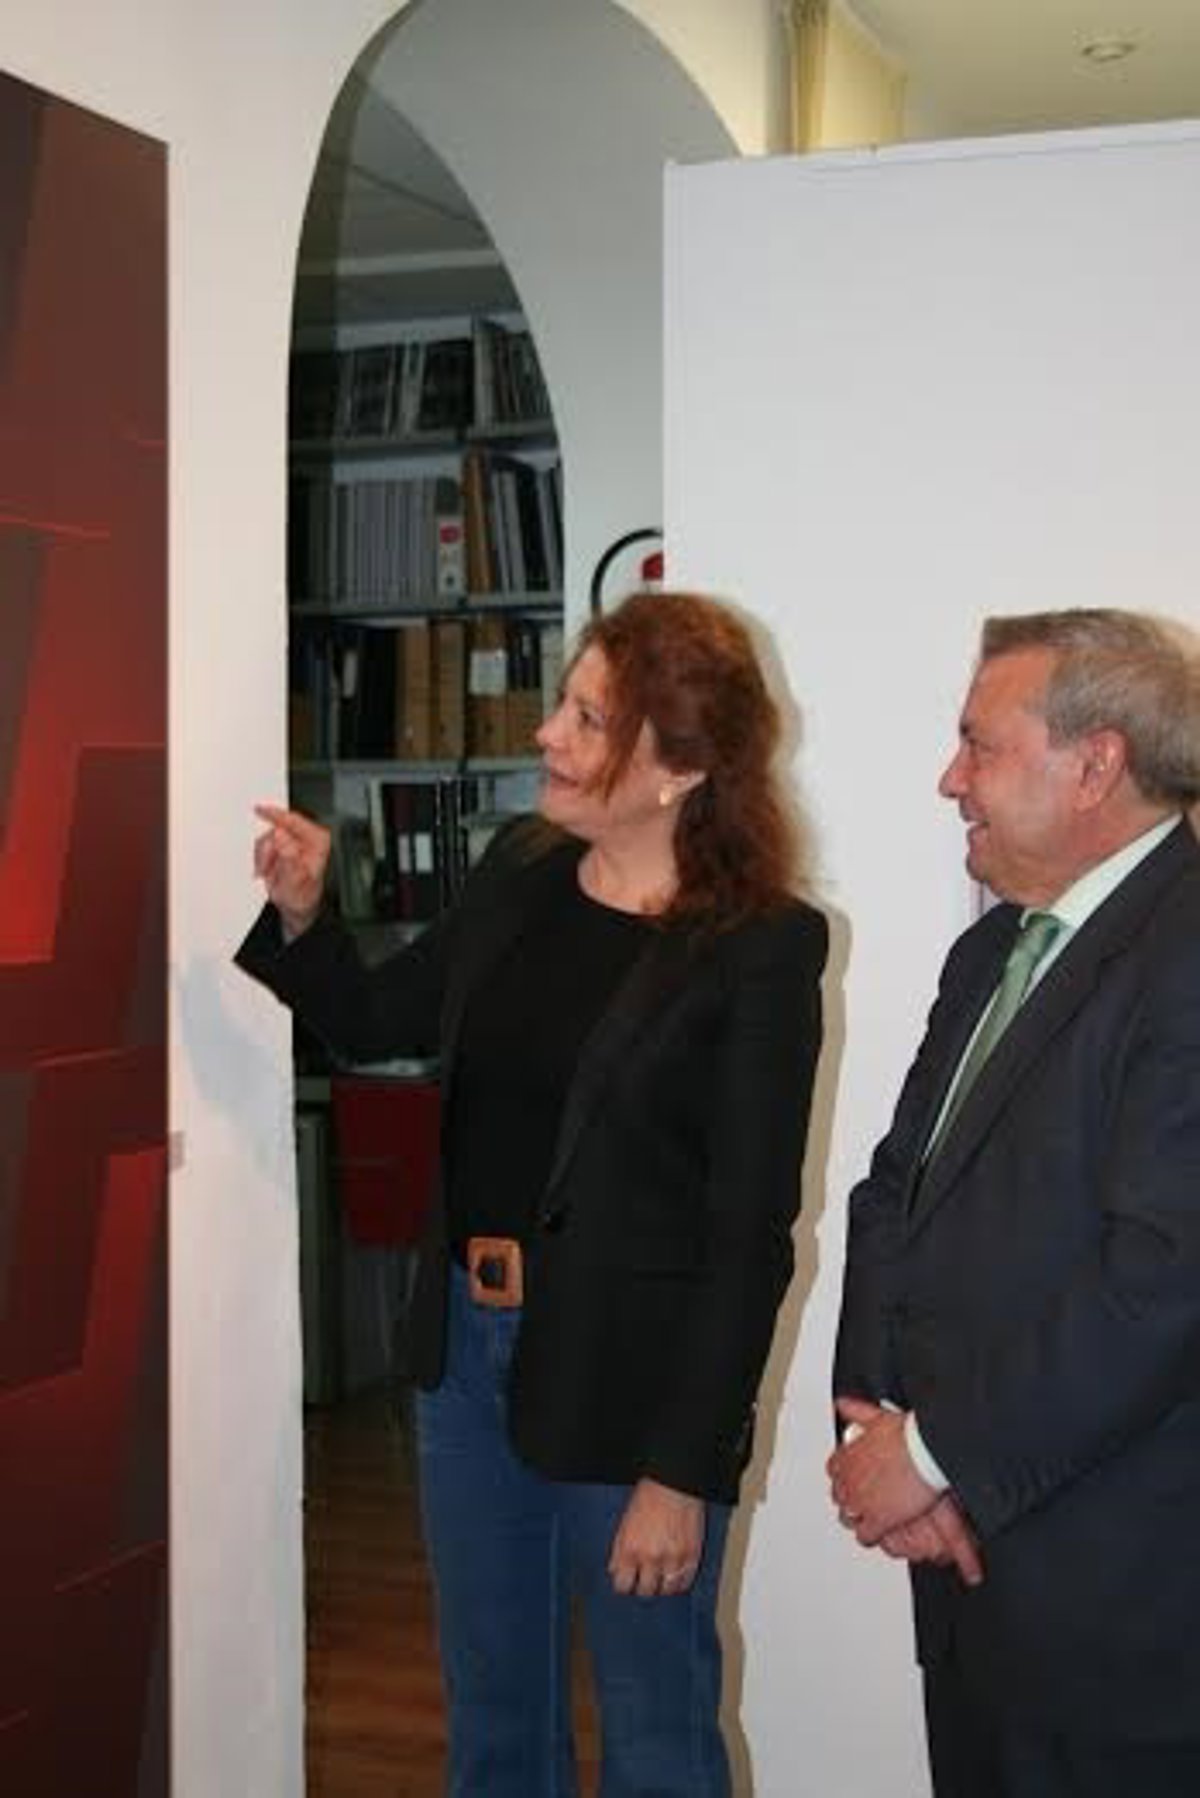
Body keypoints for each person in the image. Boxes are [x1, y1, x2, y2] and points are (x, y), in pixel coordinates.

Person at [238, 589, 828, 1798]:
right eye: (564, 703)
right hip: (465, 1350)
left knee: (656, 1730)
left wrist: (683, 1472)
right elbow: (384, 1018)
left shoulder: (760, 947)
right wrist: (304, 915)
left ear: (679, 769)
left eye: (590, 718)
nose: (548, 733)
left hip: (630, 1384)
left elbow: (748, 1240)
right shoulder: (521, 869)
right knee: (495, 1717)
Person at [828, 608, 1200, 1798]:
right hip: (974, 1580)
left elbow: (1164, 1283)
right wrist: (871, 1426)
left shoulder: (1187, 952)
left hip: (1123, 1625)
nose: (951, 780)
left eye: (979, 746)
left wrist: (934, 1452)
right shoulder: (990, 954)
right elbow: (895, 1195)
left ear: (1096, 764)